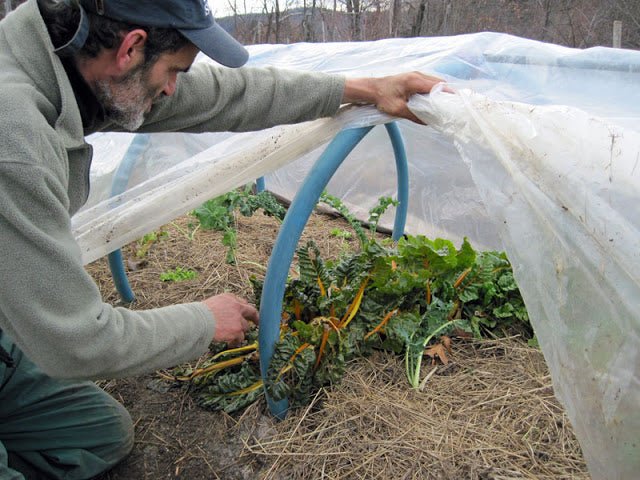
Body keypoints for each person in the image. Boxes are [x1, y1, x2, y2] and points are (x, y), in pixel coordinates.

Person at [0, 0, 443, 478]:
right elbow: (76, 342)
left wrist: (363, 88)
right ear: (131, 48)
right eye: (174, 71)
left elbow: (224, 95)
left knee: (99, 435)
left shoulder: (72, 70)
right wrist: (203, 322)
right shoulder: (14, 138)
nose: (173, 89)